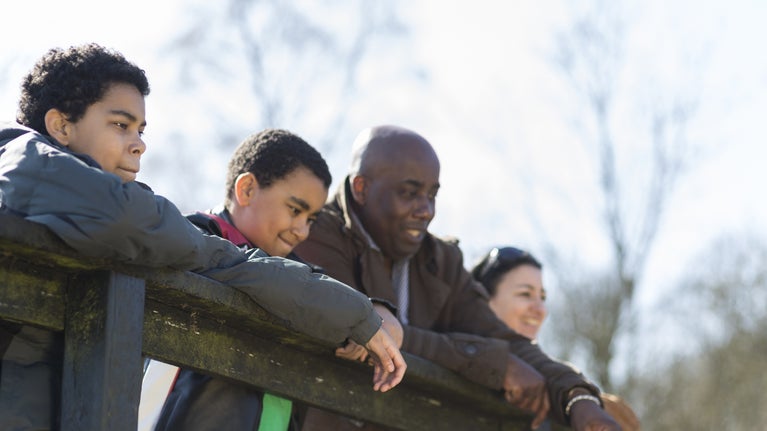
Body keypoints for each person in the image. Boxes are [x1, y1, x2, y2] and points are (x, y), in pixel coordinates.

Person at [0, 44, 404, 431]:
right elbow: (137, 222)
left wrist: (360, 314)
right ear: (61, 125)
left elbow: (228, 262)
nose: (139, 144)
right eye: (121, 125)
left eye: (141, 129)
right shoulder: (21, 159)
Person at [294, 125, 621, 431]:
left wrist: (578, 398)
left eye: (432, 194)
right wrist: (494, 363)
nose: (426, 210)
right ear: (361, 188)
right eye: (409, 193)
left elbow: (506, 341)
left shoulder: (441, 260)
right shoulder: (314, 232)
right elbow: (365, 332)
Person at [148, 128, 403, 431]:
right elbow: (273, 281)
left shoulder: (294, 270)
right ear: (247, 190)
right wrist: (352, 315)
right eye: (295, 210)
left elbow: (316, 289)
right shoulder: (196, 238)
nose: (302, 231)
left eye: (310, 219)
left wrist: (377, 312)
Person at [471, 246, 641, 431]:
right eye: (525, 294)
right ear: (484, 299)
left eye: (542, 297)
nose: (540, 309)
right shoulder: (460, 359)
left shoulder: (563, 383)